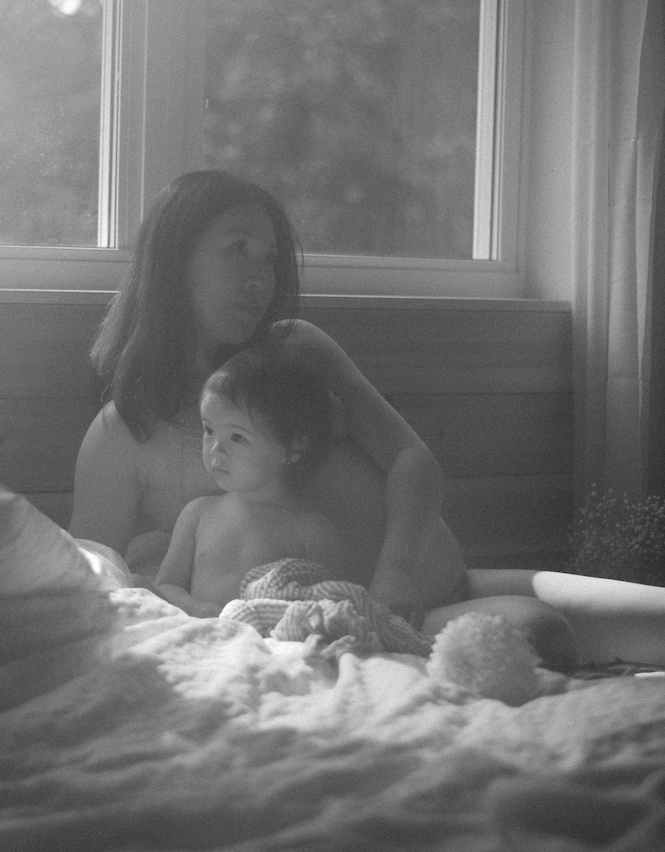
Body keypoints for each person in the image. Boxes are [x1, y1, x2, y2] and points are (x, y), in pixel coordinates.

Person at [70, 169, 665, 669]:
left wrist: (396, 574)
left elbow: (411, 460)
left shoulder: (297, 352)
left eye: (269, 259)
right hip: (387, 629)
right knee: (541, 634)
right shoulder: (123, 435)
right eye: (236, 249)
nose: (260, 277)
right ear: (174, 262)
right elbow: (91, 587)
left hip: (446, 583)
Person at [155, 342, 353, 617]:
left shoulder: (312, 531)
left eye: (237, 437)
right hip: (204, 632)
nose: (215, 449)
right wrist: (195, 608)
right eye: (209, 430)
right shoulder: (198, 514)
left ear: (292, 448)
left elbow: (335, 607)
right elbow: (165, 587)